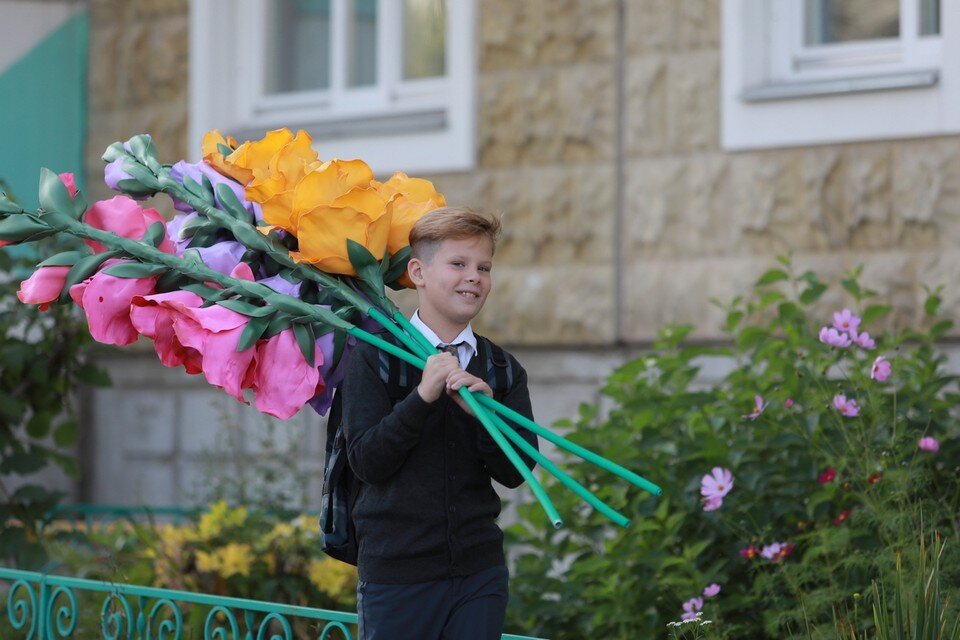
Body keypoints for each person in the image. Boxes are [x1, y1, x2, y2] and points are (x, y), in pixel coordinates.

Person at [342, 206, 539, 640]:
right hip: (397, 578)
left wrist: (488, 422)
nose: (474, 277)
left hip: (478, 573)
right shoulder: (374, 357)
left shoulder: (502, 368)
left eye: (483, 267)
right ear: (418, 272)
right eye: (458, 264)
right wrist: (421, 397)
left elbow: (517, 472)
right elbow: (367, 462)